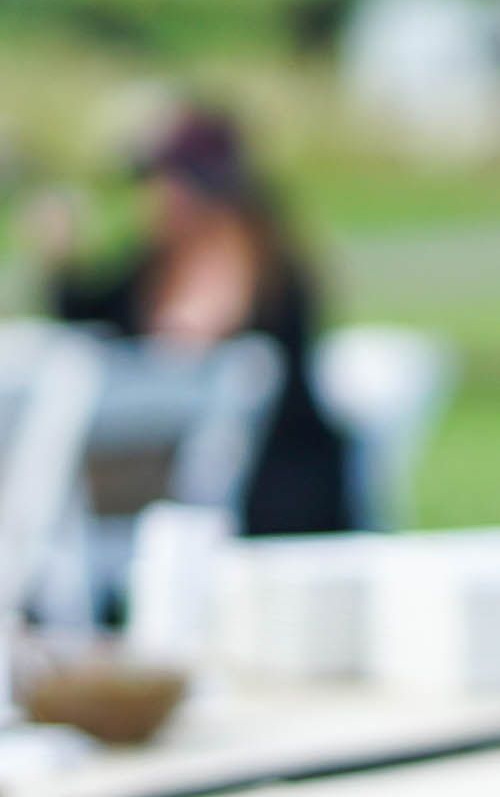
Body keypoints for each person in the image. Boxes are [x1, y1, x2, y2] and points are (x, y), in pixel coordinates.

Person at [30, 98, 356, 535]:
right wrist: (61, 261)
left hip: (270, 478)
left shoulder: (261, 264)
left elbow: (216, 358)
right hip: (172, 469)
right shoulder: (155, 262)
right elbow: (89, 316)